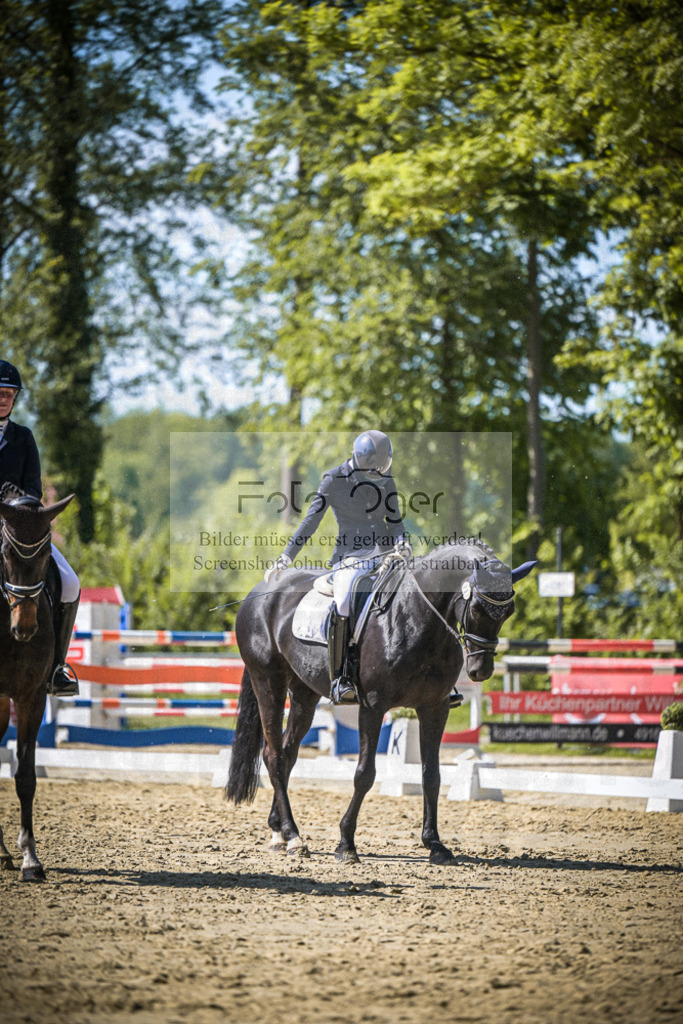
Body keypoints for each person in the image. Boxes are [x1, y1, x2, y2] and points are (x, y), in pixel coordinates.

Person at [265, 430, 463, 709]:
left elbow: (394, 522)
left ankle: (438, 676)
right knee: (344, 599)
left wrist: (402, 542)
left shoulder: (385, 479)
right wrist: (286, 557)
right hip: (351, 556)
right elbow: (310, 522)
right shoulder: (333, 480)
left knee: (419, 592)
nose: (383, 473)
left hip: (386, 554)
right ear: (366, 461)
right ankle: (342, 677)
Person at [0, 360, 80, 696]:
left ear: (15, 398)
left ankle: (58, 668)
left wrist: (19, 509)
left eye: (8, 394)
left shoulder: (24, 437)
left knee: (70, 583)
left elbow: (33, 486)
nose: (3, 399)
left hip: (18, 527)